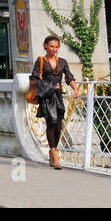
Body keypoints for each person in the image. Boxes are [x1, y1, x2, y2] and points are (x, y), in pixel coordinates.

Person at [32, 35, 81, 170]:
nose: (54, 49)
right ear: (45, 46)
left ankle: (52, 150)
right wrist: (51, 86)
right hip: (47, 96)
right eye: (51, 46)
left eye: (56, 47)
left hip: (58, 96)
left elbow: (68, 76)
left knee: (59, 124)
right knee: (51, 122)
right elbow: (35, 79)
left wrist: (75, 89)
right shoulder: (40, 61)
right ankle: (54, 153)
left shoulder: (63, 61)